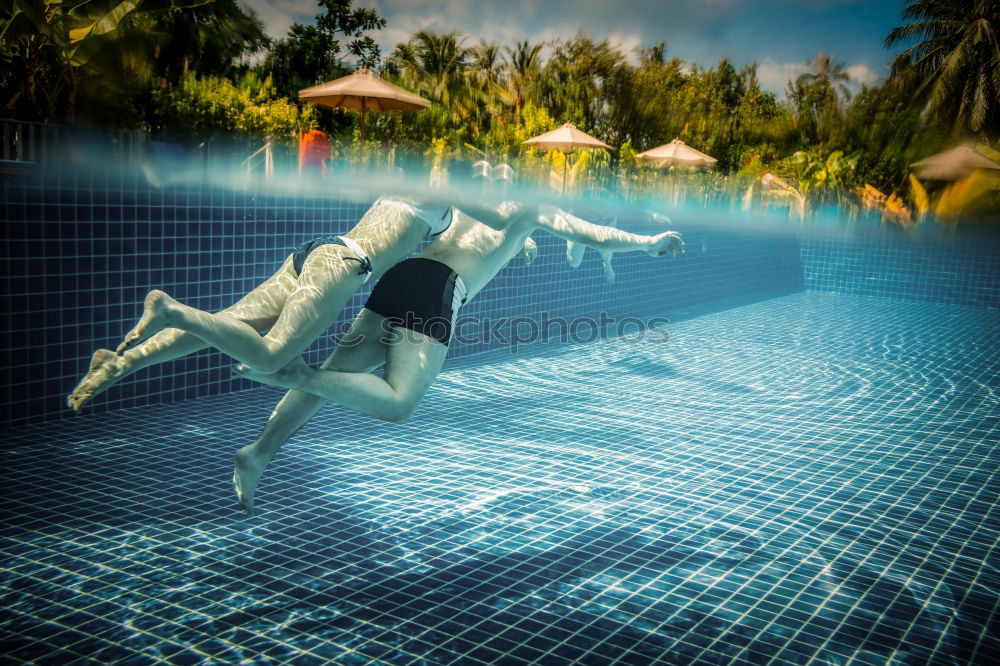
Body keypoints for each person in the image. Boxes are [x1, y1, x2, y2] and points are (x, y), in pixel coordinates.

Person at [230, 201, 684, 515]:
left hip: (404, 275)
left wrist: (519, 244)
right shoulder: (532, 207)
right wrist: (647, 243)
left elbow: (474, 238)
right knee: (398, 402)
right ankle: (294, 372)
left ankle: (258, 452)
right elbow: (595, 235)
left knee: (339, 372)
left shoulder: (474, 198)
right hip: (438, 290)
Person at [66, 196, 457, 411]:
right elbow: (492, 216)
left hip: (322, 250)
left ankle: (123, 361)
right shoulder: (444, 187)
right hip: (347, 264)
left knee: (232, 322)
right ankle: (172, 310)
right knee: (270, 357)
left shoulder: (408, 183)